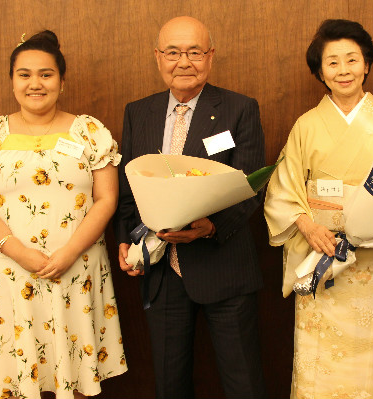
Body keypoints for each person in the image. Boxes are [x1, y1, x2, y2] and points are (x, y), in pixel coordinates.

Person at [0, 31, 127, 399]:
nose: (36, 83)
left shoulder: (90, 132)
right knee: (18, 377)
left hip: (75, 268)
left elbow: (106, 200)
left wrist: (68, 253)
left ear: (62, 82)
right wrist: (19, 252)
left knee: (77, 373)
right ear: (12, 80)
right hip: (9, 271)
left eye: (46, 74)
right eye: (25, 74)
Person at [114, 16, 266, 399]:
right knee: (169, 384)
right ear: (157, 57)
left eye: (194, 52)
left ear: (210, 56)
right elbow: (128, 185)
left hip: (224, 265)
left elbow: (250, 186)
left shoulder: (240, 108)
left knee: (242, 383)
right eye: (173, 52)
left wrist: (210, 227)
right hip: (161, 270)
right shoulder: (138, 112)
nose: (184, 62)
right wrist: (124, 239)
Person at [264, 19, 373, 399]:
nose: (343, 70)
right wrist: (309, 227)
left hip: (369, 254)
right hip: (318, 250)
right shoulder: (307, 125)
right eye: (332, 62)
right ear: (319, 71)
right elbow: (283, 187)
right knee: (314, 357)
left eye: (352, 60)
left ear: (367, 65)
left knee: (361, 359)